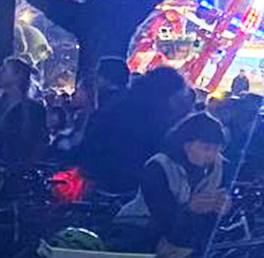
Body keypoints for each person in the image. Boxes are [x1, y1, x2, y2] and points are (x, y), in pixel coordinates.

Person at [114, 113, 230, 258]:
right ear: (187, 145)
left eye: (217, 149)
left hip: (188, 238)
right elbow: (162, 214)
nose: (212, 155)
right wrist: (190, 209)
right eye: (206, 148)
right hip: (140, 228)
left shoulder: (218, 167)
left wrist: (223, 207)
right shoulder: (158, 166)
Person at [75, 65, 192, 195]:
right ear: (170, 94)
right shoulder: (156, 115)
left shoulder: (121, 102)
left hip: (100, 175)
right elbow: (159, 147)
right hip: (130, 182)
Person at [0, 56, 52, 175]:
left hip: (17, 171)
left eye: (4, 70)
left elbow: (40, 142)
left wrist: (24, 167)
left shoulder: (35, 110)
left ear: (17, 76)